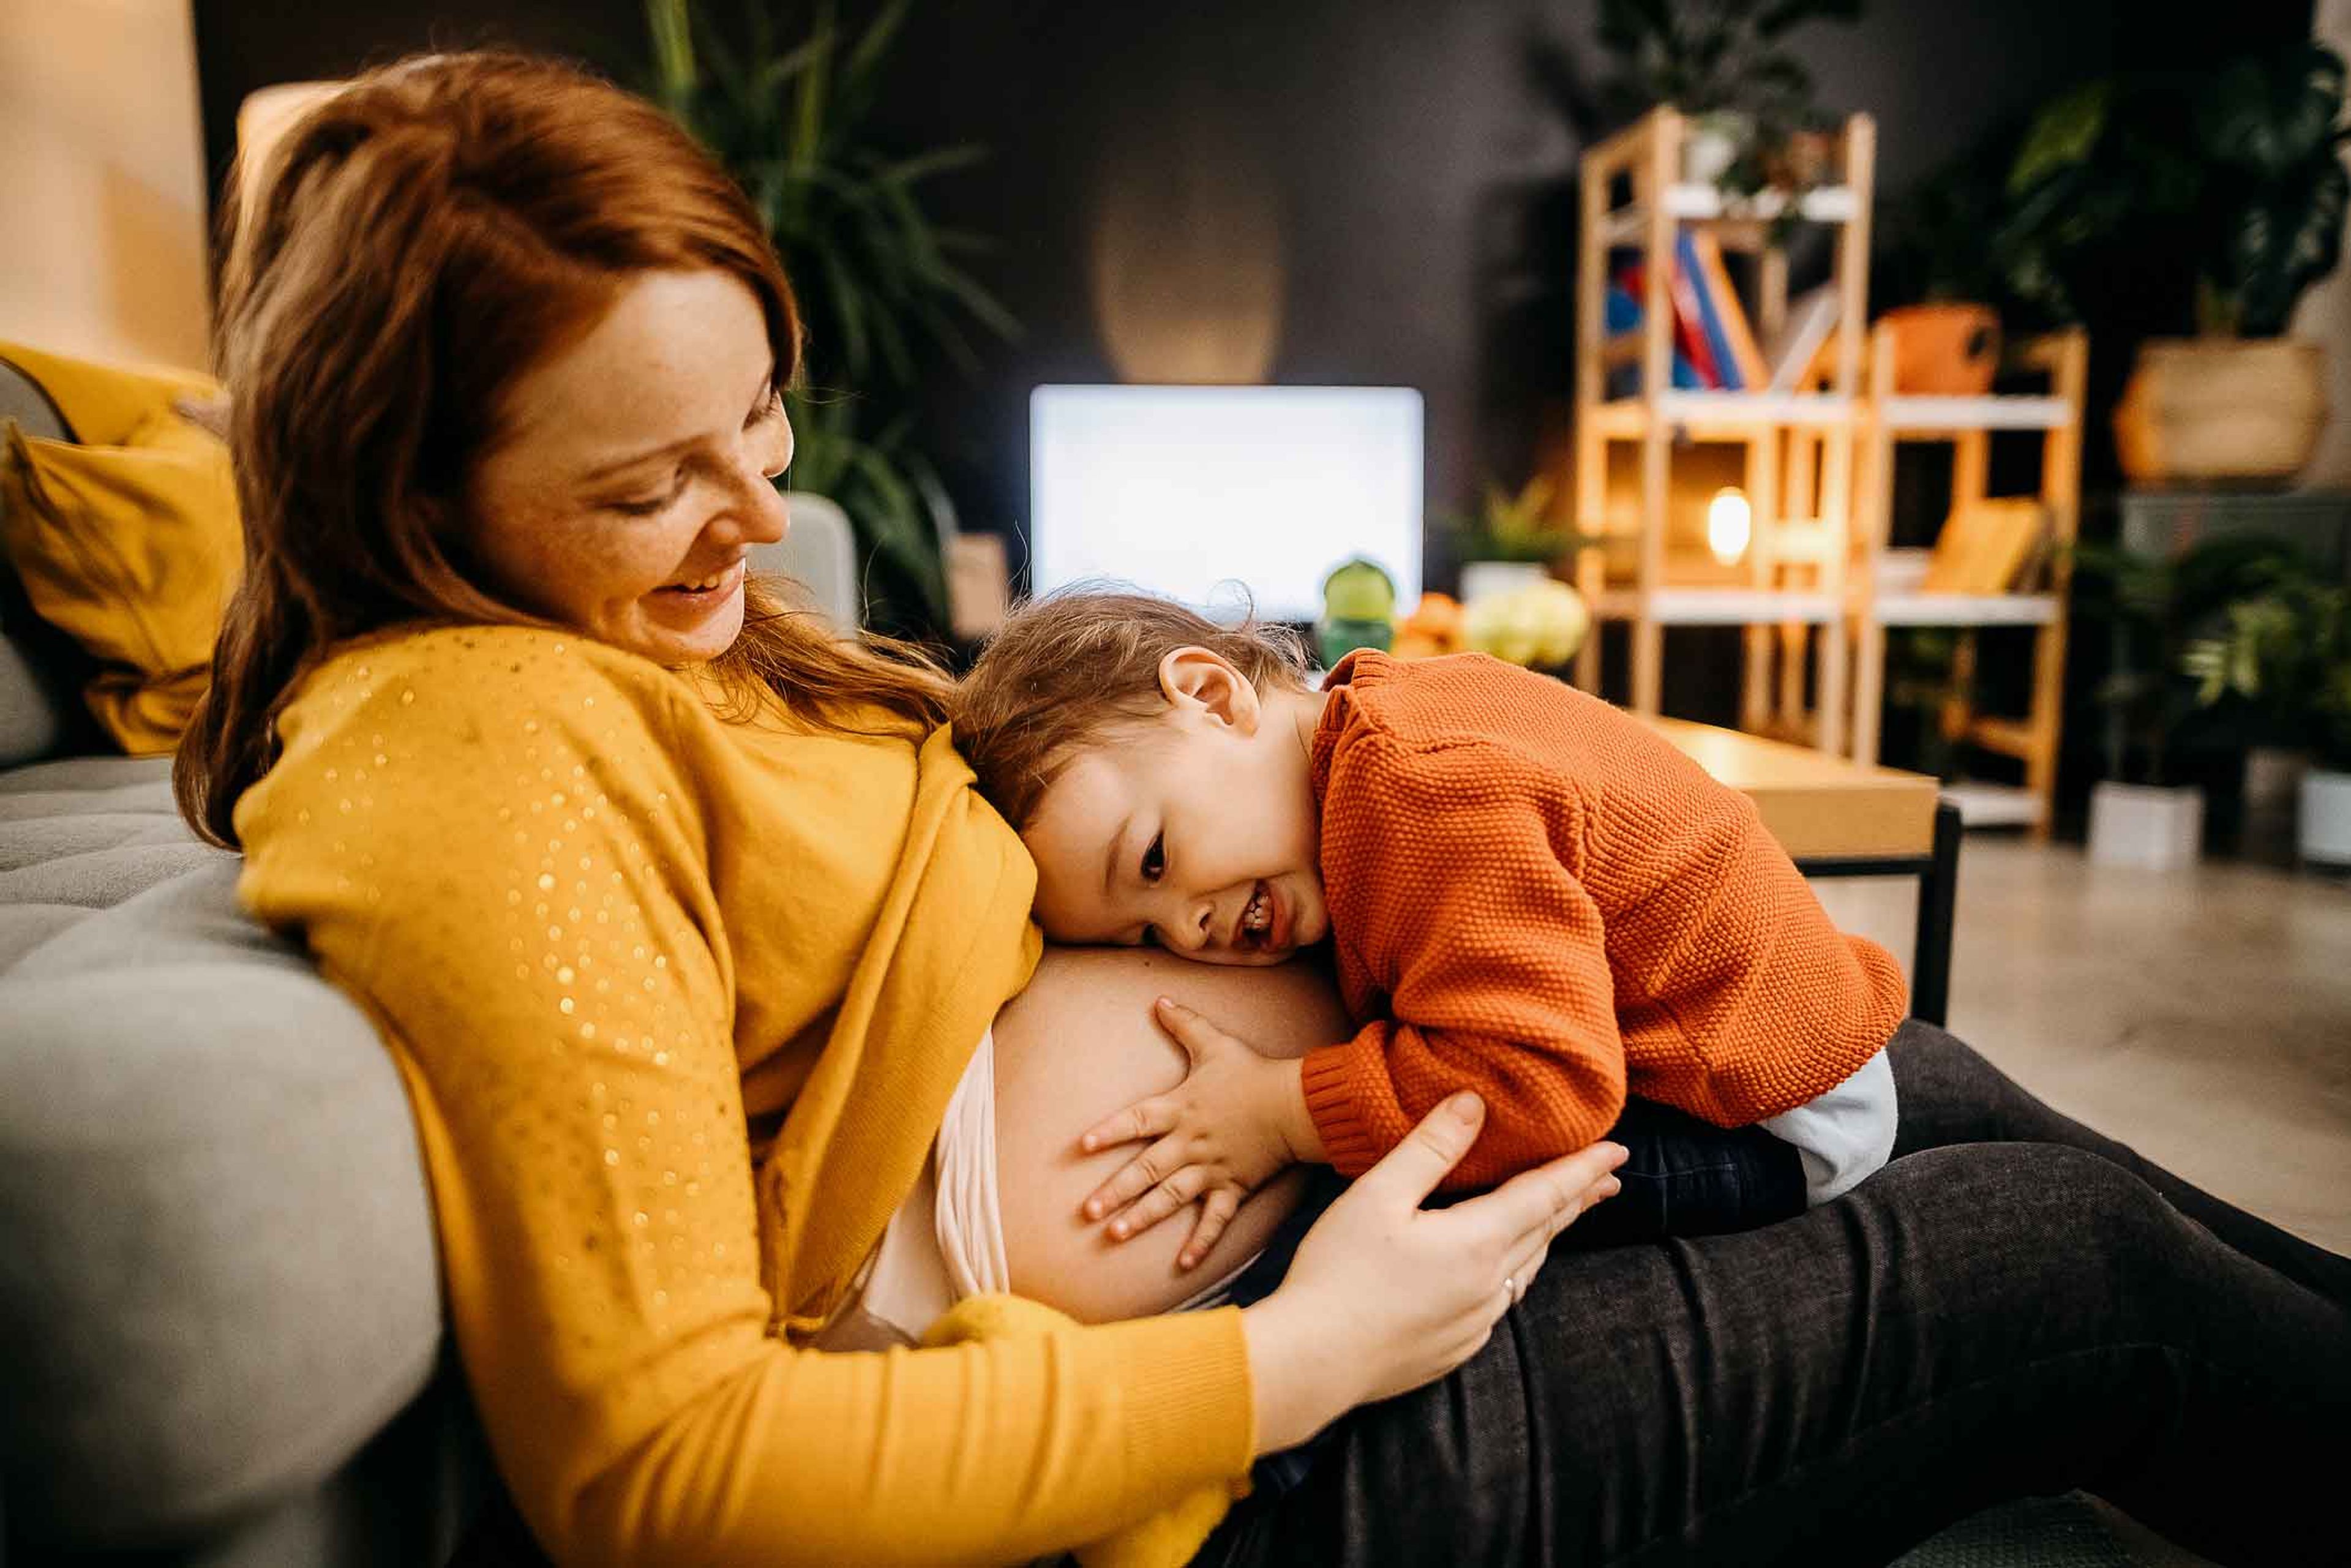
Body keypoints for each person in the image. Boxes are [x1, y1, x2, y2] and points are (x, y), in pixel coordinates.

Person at [175, 48, 2351, 1568]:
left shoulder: (668, 639)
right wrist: (1294, 1365)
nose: (756, 511)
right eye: (651, 481)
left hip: (1355, 1236)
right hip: (1267, 1451)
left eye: (765, 416)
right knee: (2060, 1271)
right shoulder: (472, 748)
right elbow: (657, 1465)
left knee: (1906, 1063)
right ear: (415, 490)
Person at [951, 589, 1902, 1270]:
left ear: (1211, 694)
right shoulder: (1376, 716)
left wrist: (1279, 1114)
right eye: (1143, 941)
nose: (1189, 929)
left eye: (1153, 860)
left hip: (1761, 1110)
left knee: (1380, 1229)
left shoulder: (1414, 799)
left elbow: (1540, 1084)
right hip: (1779, 1035)